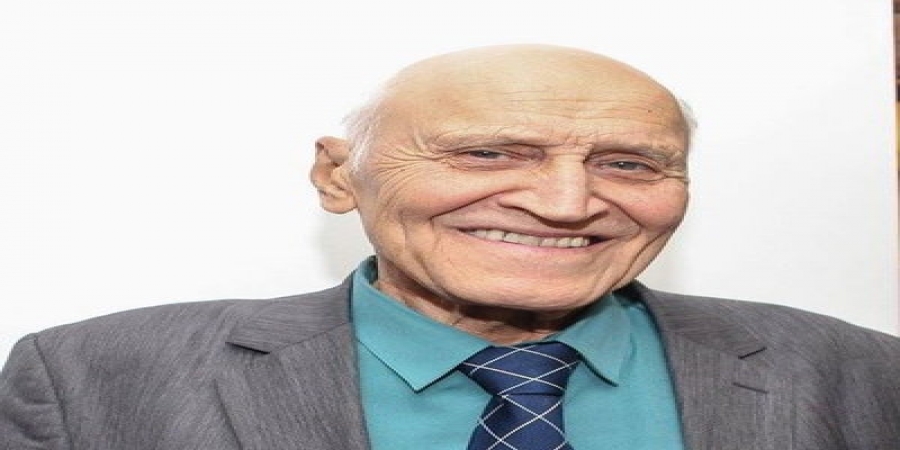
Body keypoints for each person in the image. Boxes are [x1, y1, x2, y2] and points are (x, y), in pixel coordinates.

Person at [1, 44, 898, 450]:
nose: (565, 204)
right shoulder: (91, 380)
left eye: (628, 164)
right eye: (487, 153)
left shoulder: (861, 377)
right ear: (338, 177)